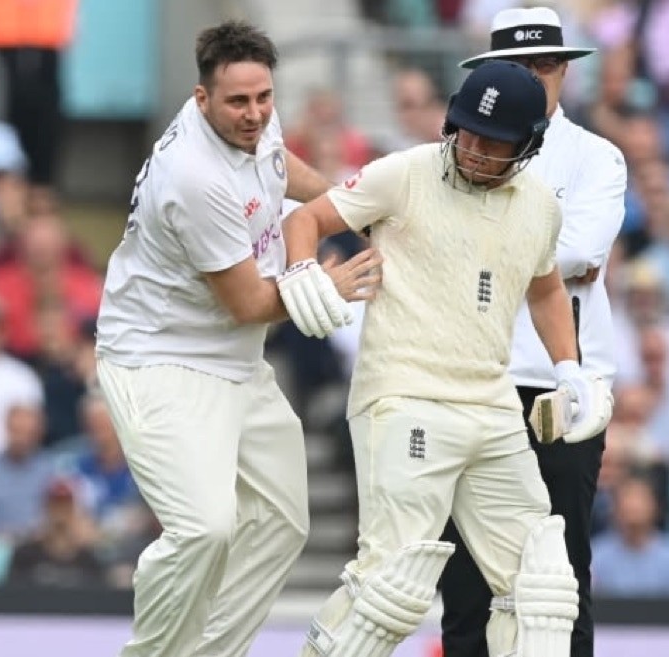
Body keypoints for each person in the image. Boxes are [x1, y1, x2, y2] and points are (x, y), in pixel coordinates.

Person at [282, 59, 610, 657]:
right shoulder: (404, 175)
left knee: (541, 590)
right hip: (404, 397)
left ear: (529, 144)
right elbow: (308, 217)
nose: (476, 151)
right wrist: (304, 267)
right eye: (467, 133)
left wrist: (569, 371)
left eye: (495, 142)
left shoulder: (539, 207)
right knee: (390, 590)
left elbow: (545, 290)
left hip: (490, 405)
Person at [91, 21, 379, 657]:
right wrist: (327, 286)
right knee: (204, 529)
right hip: (159, 360)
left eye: (263, 98)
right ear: (201, 99)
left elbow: (279, 167)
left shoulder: (253, 121)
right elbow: (249, 303)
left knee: (281, 521)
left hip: (233, 362)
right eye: (237, 102)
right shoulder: (195, 179)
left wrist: (349, 205)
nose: (254, 114)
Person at [440, 7, 626, 657]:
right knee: (465, 577)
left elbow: (581, 249)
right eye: (517, 67)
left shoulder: (597, 157)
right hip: (475, 380)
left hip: (560, 385)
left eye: (545, 64)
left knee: (559, 575)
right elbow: (559, 257)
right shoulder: (459, 152)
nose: (534, 77)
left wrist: (482, 251)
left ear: (565, 72)